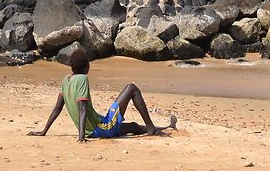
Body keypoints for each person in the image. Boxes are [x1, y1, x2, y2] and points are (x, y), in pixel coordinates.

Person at [28, 51, 176, 142]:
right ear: (86, 66)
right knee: (132, 88)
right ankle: (151, 128)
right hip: (101, 128)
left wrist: (43, 131)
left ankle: (164, 127)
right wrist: (81, 137)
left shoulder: (65, 81)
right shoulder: (82, 79)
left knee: (133, 126)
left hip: (94, 130)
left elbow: (57, 109)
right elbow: (82, 109)